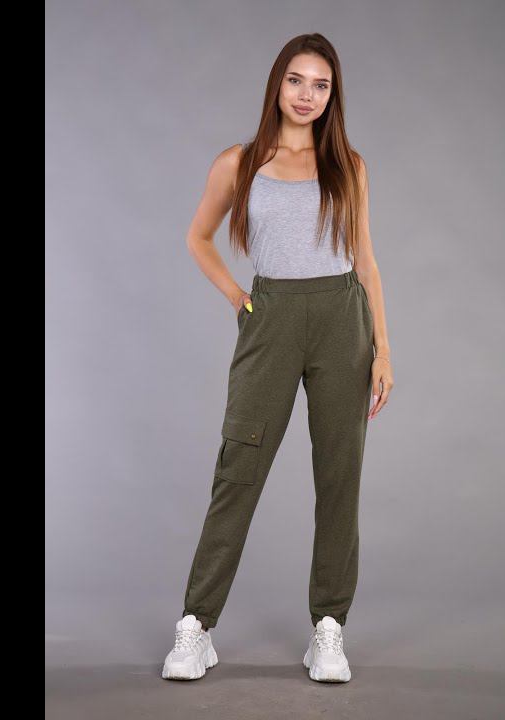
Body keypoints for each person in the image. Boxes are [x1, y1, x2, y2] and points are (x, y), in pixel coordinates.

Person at [162, 33, 393, 683]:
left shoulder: (348, 165)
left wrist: (383, 350)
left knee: (339, 477)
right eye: (296, 80)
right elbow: (198, 236)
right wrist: (240, 297)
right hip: (271, 321)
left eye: (321, 85)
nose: (306, 95)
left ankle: (329, 629)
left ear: (332, 95)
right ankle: (196, 626)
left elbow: (366, 261)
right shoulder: (240, 162)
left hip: (343, 321)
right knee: (239, 468)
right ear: (277, 84)